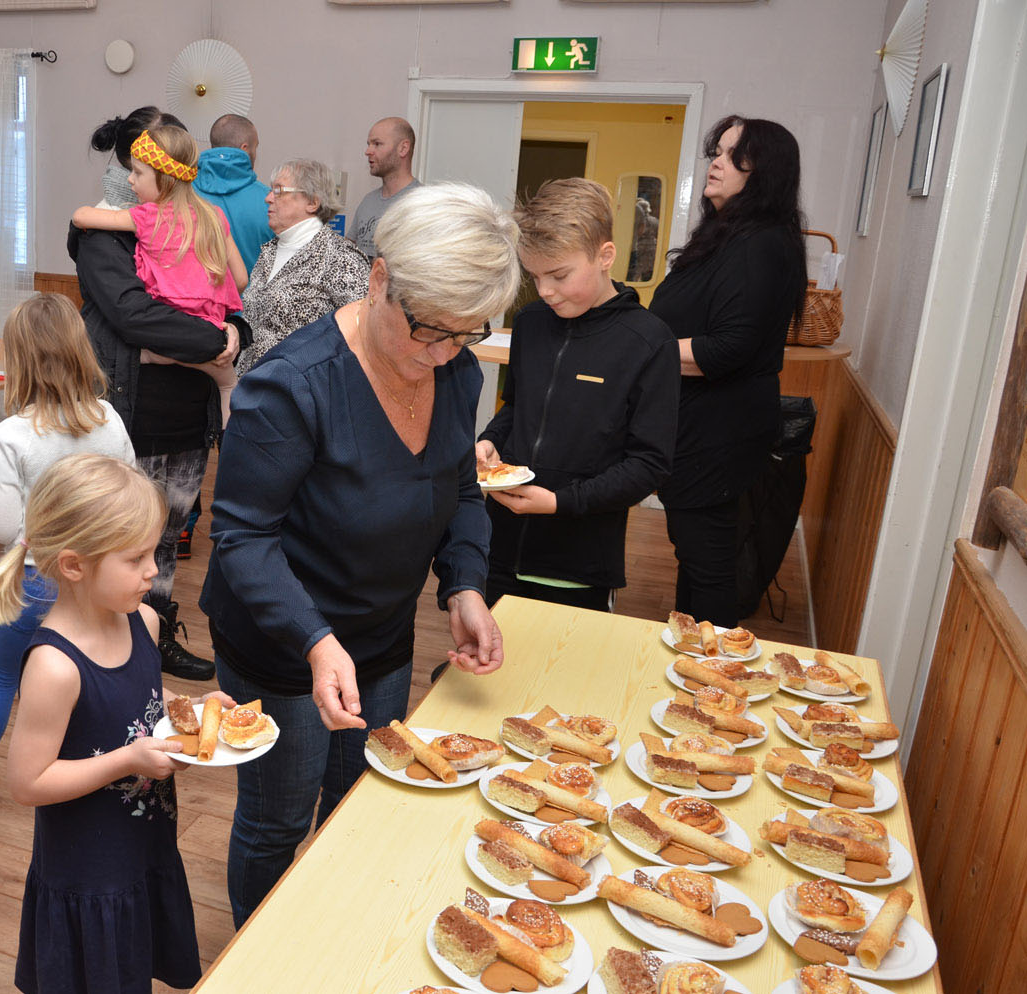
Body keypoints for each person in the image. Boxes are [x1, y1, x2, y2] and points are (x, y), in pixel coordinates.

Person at [200, 182, 521, 926]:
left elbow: (459, 490)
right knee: (278, 820)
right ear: (379, 278)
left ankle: (325, 936)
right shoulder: (291, 387)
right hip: (285, 646)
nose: (441, 355)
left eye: (463, 335)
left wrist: (465, 587)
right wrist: (315, 641)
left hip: (381, 636)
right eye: (427, 330)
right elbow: (243, 540)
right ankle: (263, 952)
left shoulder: (454, 369)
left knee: (358, 800)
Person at [0, 453, 233, 994]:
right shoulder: (55, 667)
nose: (154, 570)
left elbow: (141, 695)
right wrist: (128, 759)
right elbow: (27, 782)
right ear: (75, 565)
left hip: (143, 847)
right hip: (88, 870)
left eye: (153, 552)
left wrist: (193, 711)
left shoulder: (143, 622)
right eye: (136, 558)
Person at [0, 293, 136, 809]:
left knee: (2, 673)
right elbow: (127, 493)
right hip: (97, 579)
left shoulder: (11, 436)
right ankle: (97, 765)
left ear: (19, 360)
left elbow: (1, 528)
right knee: (92, 670)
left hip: (34, 580)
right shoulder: (109, 418)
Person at [72, 106, 251, 682]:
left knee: (168, 535)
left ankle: (154, 632)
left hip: (186, 410)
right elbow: (134, 317)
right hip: (133, 409)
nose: (135, 181)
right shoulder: (103, 231)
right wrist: (217, 340)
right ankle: (112, 646)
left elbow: (232, 288)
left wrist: (236, 331)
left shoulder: (192, 220)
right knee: (123, 537)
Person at [476, 178, 679, 611]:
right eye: (534, 276)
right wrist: (490, 441)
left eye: (559, 275)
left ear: (605, 256)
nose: (545, 290)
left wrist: (560, 503)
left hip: (578, 563)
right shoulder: (531, 323)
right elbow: (516, 407)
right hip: (498, 546)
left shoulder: (648, 341)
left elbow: (649, 464)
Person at [648, 115, 807, 627]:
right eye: (715, 150)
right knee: (695, 556)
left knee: (710, 566)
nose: (715, 161)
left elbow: (729, 347)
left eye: (732, 153)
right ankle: (689, 657)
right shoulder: (725, 235)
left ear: (763, 170)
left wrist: (638, 353)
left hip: (720, 432)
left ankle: (715, 680)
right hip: (699, 425)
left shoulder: (760, 242)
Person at [71, 124, 248, 428]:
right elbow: (241, 279)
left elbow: (82, 217)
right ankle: (231, 445)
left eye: (138, 173)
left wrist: (81, 211)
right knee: (229, 386)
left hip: (161, 346)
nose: (130, 180)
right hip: (208, 335)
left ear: (164, 178)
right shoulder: (214, 216)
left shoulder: (146, 217)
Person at [237, 158, 370, 376]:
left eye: (279, 191)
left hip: (301, 396)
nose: (268, 198)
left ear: (312, 202)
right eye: (271, 190)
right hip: (251, 390)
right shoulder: (268, 252)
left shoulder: (340, 258)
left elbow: (365, 336)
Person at [192, 113, 273, 272]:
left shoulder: (183, 193)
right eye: (255, 147)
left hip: (195, 296)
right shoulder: (270, 202)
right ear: (245, 148)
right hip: (249, 296)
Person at [349, 117, 421, 259]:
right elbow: (348, 253)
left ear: (403, 148)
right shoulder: (368, 201)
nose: (368, 151)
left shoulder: (422, 203)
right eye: (369, 144)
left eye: (377, 144)